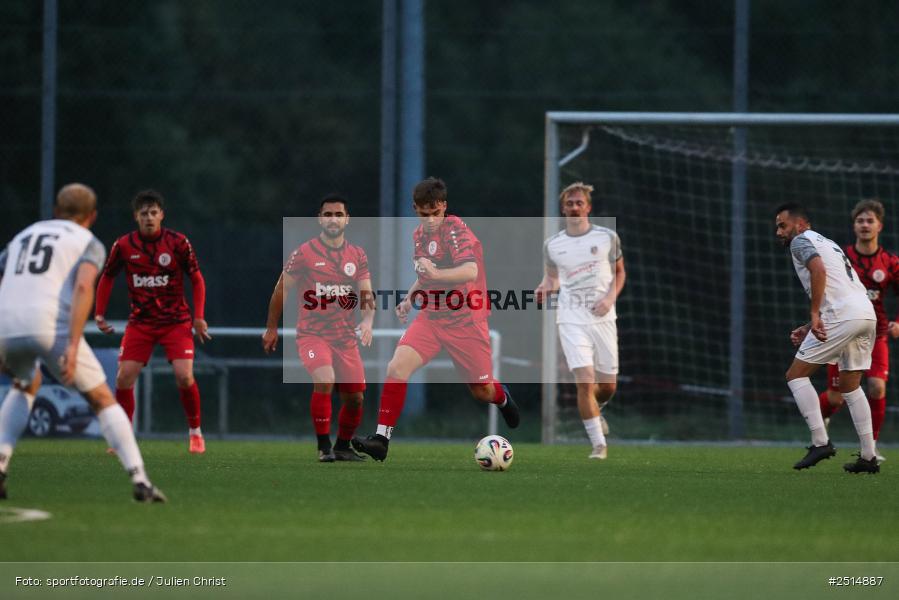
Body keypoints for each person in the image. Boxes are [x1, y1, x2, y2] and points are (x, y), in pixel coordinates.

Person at [0, 183, 165, 502]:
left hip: (7, 323)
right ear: (92, 216)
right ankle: (140, 480)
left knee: (26, 382)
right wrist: (73, 344)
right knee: (102, 398)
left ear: (56, 212)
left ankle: (1, 466)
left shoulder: (24, 235)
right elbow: (83, 288)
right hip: (50, 325)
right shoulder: (87, 242)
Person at [352, 177, 519, 462]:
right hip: (432, 317)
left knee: (481, 391)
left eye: (435, 213)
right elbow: (426, 274)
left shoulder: (455, 229)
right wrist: (409, 298)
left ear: (444, 206)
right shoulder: (419, 235)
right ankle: (381, 439)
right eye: (423, 214)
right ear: (415, 209)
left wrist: (436, 275)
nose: (430, 220)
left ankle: (502, 397)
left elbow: (469, 271)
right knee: (397, 367)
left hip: (467, 319)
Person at [94, 190, 211, 454]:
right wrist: (99, 313)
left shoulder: (178, 243)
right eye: (144, 213)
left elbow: (197, 278)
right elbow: (107, 277)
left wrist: (199, 316)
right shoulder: (123, 245)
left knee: (184, 376)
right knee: (124, 378)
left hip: (176, 321)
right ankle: (124, 438)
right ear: (136, 217)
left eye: (153, 212)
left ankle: (195, 433)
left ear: (162, 215)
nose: (149, 217)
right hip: (141, 323)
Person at [263, 195, 373, 462]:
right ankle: (324, 447)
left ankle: (342, 446)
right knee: (324, 379)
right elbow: (282, 290)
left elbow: (366, 293)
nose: (332, 219)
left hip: (345, 338)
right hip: (313, 335)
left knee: (356, 398)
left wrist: (367, 320)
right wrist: (271, 328)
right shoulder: (303, 253)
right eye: (327, 214)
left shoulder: (357, 254)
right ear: (319, 219)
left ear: (347, 219)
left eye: (338, 214)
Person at [775, 203, 880, 474]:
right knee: (850, 385)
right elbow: (838, 286)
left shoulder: (801, 241)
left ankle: (820, 441)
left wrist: (815, 315)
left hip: (842, 315)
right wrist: (812, 323)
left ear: (800, 225)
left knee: (795, 375)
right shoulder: (828, 242)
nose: (778, 232)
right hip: (865, 315)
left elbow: (818, 271)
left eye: (782, 225)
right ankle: (869, 457)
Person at [535, 182, 625, 459]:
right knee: (584, 383)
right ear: (563, 208)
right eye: (570, 203)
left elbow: (620, 273)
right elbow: (552, 278)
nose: (574, 208)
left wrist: (609, 299)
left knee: (608, 386)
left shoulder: (607, 237)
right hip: (571, 317)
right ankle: (599, 446)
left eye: (579, 203)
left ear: (588, 207)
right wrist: (543, 288)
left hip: (603, 317)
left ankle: (598, 410)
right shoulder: (553, 244)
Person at [818, 199, 895, 463]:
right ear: (854, 226)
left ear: (879, 226)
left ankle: (870, 447)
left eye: (870, 220)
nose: (865, 225)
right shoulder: (842, 258)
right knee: (836, 397)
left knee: (876, 387)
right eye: (860, 220)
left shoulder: (890, 262)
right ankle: (819, 422)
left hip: (876, 333)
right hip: (842, 332)